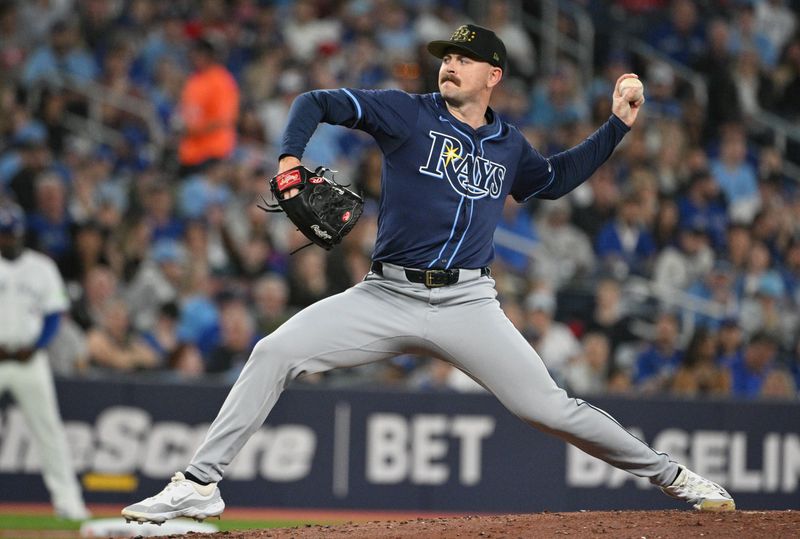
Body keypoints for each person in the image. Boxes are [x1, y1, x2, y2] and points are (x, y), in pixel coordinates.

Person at [122, 25, 734, 523]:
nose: (451, 65)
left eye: (466, 59)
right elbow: (316, 102)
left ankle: (672, 476)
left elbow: (552, 182)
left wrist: (617, 127)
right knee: (274, 350)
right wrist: (288, 158)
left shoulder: (508, 143)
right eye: (448, 56)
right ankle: (200, 484)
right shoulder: (407, 114)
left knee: (549, 407)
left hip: (468, 303)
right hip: (385, 292)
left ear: (493, 76)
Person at [0, 201, 90, 520]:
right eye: (4, 235)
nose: (8, 240)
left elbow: (54, 315)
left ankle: (69, 505)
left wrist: (36, 344)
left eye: (12, 234)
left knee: (49, 431)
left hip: (29, 358)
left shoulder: (41, 266)